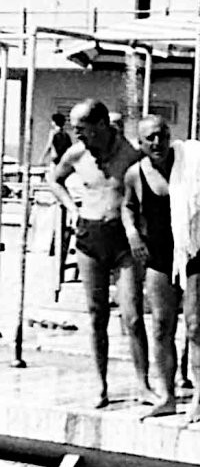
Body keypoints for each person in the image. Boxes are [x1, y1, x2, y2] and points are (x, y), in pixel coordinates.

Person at [121, 114, 200, 423]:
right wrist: (132, 234)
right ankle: (167, 396)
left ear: (169, 135)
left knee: (197, 326)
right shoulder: (135, 174)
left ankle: (199, 399)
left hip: (197, 251)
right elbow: (128, 207)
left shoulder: (194, 164)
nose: (157, 143)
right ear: (141, 144)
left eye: (161, 135)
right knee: (161, 327)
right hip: (159, 255)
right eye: (150, 139)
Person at [47, 99, 150, 409]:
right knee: (96, 316)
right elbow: (53, 178)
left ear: (103, 125)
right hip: (90, 238)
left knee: (132, 316)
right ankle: (100, 384)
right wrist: (70, 205)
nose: (79, 137)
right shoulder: (78, 154)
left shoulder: (131, 154)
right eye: (76, 131)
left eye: (83, 131)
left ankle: (144, 384)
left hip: (124, 241)